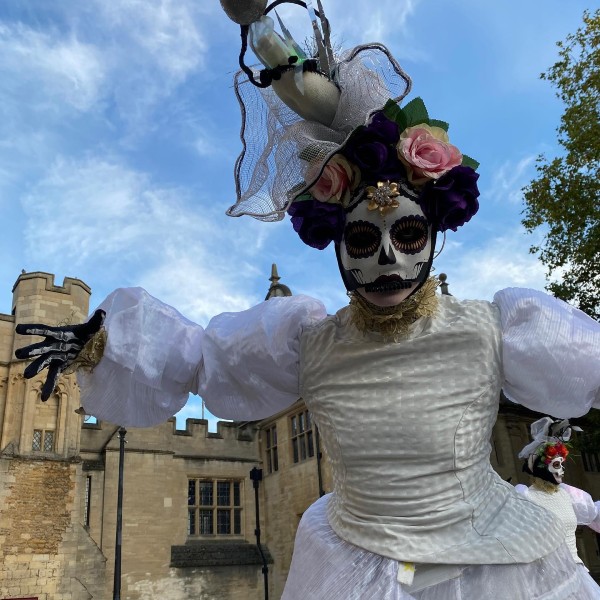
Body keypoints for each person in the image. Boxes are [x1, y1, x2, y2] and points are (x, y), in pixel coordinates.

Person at [14, 1, 600, 598]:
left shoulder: (494, 327)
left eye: (408, 235)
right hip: (359, 562)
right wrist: (106, 342)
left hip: (496, 563)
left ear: (435, 237)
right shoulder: (308, 342)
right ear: (337, 245)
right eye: (366, 239)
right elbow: (199, 360)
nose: (389, 260)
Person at [515, 417, 600, 595]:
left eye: (562, 464)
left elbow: (594, 512)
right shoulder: (524, 496)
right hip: (544, 581)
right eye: (556, 464)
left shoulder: (568, 495)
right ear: (541, 468)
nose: (562, 470)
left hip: (577, 575)